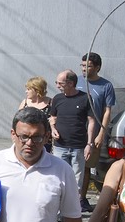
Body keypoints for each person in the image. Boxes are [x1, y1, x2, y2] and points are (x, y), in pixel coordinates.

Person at [50, 69, 96, 213]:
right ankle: (58, 209)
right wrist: (53, 129)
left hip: (78, 146)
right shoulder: (57, 99)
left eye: (60, 83)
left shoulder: (85, 98)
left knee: (76, 181)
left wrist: (90, 144)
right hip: (60, 146)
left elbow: (91, 121)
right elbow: (52, 118)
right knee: (57, 178)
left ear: (70, 83)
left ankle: (71, 210)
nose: (57, 85)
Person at [78, 52, 117, 210]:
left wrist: (101, 133)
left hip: (92, 133)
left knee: (86, 166)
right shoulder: (77, 82)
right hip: (74, 131)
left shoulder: (106, 86)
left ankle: (81, 199)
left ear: (97, 67)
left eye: (88, 66)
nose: (84, 69)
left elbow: (107, 111)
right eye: (82, 66)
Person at [18, 76, 52, 152]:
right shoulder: (25, 103)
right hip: (26, 139)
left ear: (37, 90)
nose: (26, 92)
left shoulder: (51, 103)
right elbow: (17, 120)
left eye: (28, 89)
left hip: (44, 141)